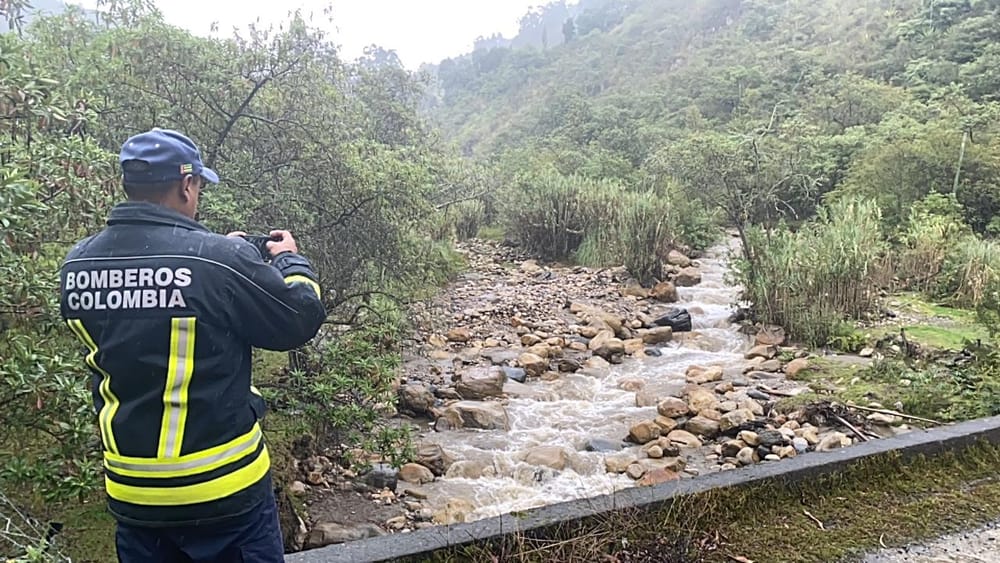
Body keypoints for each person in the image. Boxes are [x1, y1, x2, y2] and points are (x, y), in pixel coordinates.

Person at [59, 128, 327, 562]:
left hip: (133, 495)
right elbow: (298, 318)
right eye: (199, 185)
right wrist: (288, 261)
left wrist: (223, 252)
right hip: (224, 492)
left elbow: (147, 312)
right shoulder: (216, 260)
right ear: (187, 185)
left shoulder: (77, 264)